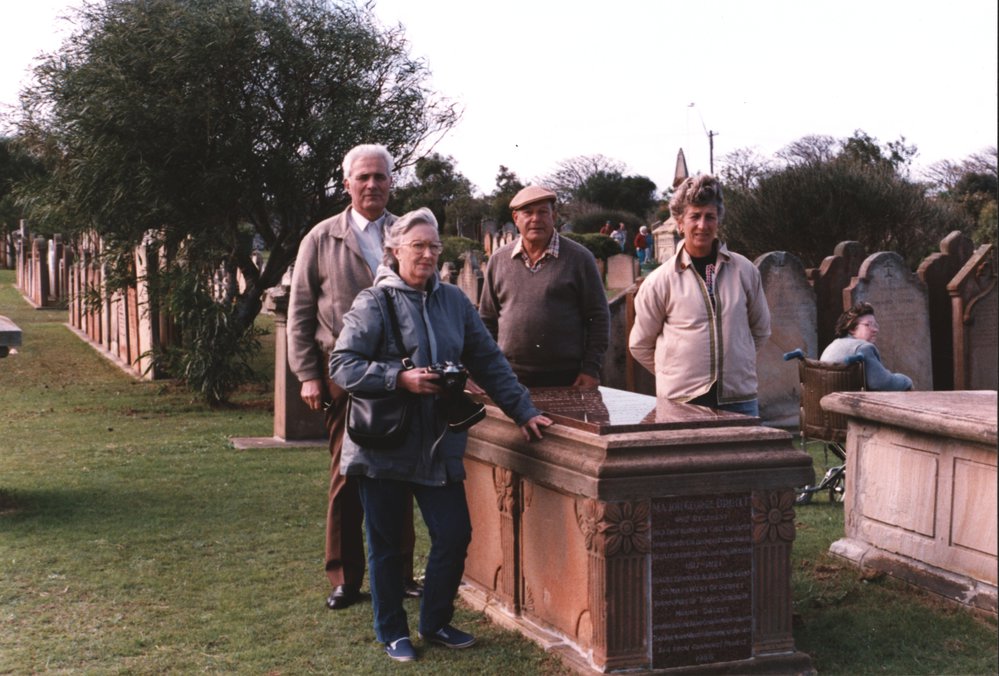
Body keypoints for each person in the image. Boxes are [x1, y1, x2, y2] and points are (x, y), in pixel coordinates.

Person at [329, 207, 552, 662]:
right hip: (383, 444)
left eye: (434, 246)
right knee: (387, 545)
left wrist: (523, 410)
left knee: (454, 534)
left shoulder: (453, 301)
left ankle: (434, 621)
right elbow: (342, 365)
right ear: (395, 250)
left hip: (437, 443)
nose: (428, 255)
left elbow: (488, 360)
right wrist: (399, 378)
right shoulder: (374, 302)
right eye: (418, 246)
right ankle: (392, 631)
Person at [286, 143, 421, 612]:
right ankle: (345, 576)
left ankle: (400, 572)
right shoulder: (322, 238)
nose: (372, 185)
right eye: (362, 177)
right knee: (348, 473)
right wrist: (308, 374)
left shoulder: (406, 233)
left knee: (399, 471)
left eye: (380, 177)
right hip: (344, 375)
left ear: (391, 182)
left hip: (402, 375)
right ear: (347, 184)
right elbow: (300, 311)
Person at [629, 175, 771, 416]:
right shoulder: (660, 280)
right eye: (695, 216)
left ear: (718, 221)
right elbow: (640, 344)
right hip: (682, 404)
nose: (702, 225)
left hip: (739, 400)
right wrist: (673, 374)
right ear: (680, 223)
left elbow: (761, 330)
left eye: (710, 217)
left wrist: (735, 365)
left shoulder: (744, 270)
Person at [479, 185, 610, 388]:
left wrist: (590, 369)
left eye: (543, 212)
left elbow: (599, 317)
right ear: (516, 218)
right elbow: (487, 319)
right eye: (528, 213)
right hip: (509, 376)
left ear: (553, 216)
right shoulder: (499, 260)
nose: (536, 219)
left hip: (568, 377)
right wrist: (490, 368)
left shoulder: (579, 258)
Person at [820, 302, 913, 391]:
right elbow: (881, 383)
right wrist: (906, 381)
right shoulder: (863, 347)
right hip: (849, 401)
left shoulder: (833, 345)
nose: (875, 330)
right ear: (852, 328)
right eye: (868, 325)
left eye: (875, 325)